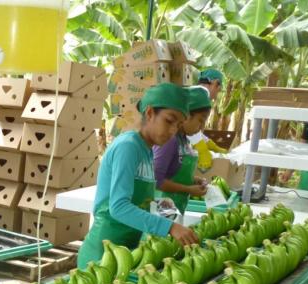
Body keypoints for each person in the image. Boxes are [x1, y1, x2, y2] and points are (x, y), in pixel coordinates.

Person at [78, 83, 200, 269]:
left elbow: (142, 201)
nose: (173, 130)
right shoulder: (128, 147)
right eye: (169, 120)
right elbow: (118, 207)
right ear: (150, 113)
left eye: (178, 125)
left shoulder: (147, 151)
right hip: (101, 255)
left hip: (126, 251)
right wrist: (170, 227)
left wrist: (171, 214)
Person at [154, 87, 213, 218]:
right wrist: (188, 189)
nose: (202, 127)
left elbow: (173, 172)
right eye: (200, 120)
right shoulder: (170, 140)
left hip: (175, 208)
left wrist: (193, 180)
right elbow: (156, 179)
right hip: (161, 208)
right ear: (186, 116)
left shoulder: (184, 140)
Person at [189, 68, 228, 169]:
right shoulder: (200, 96)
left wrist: (209, 144)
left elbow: (195, 129)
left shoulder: (196, 93)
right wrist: (202, 149)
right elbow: (188, 126)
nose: (215, 96)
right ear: (215, 83)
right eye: (218, 90)